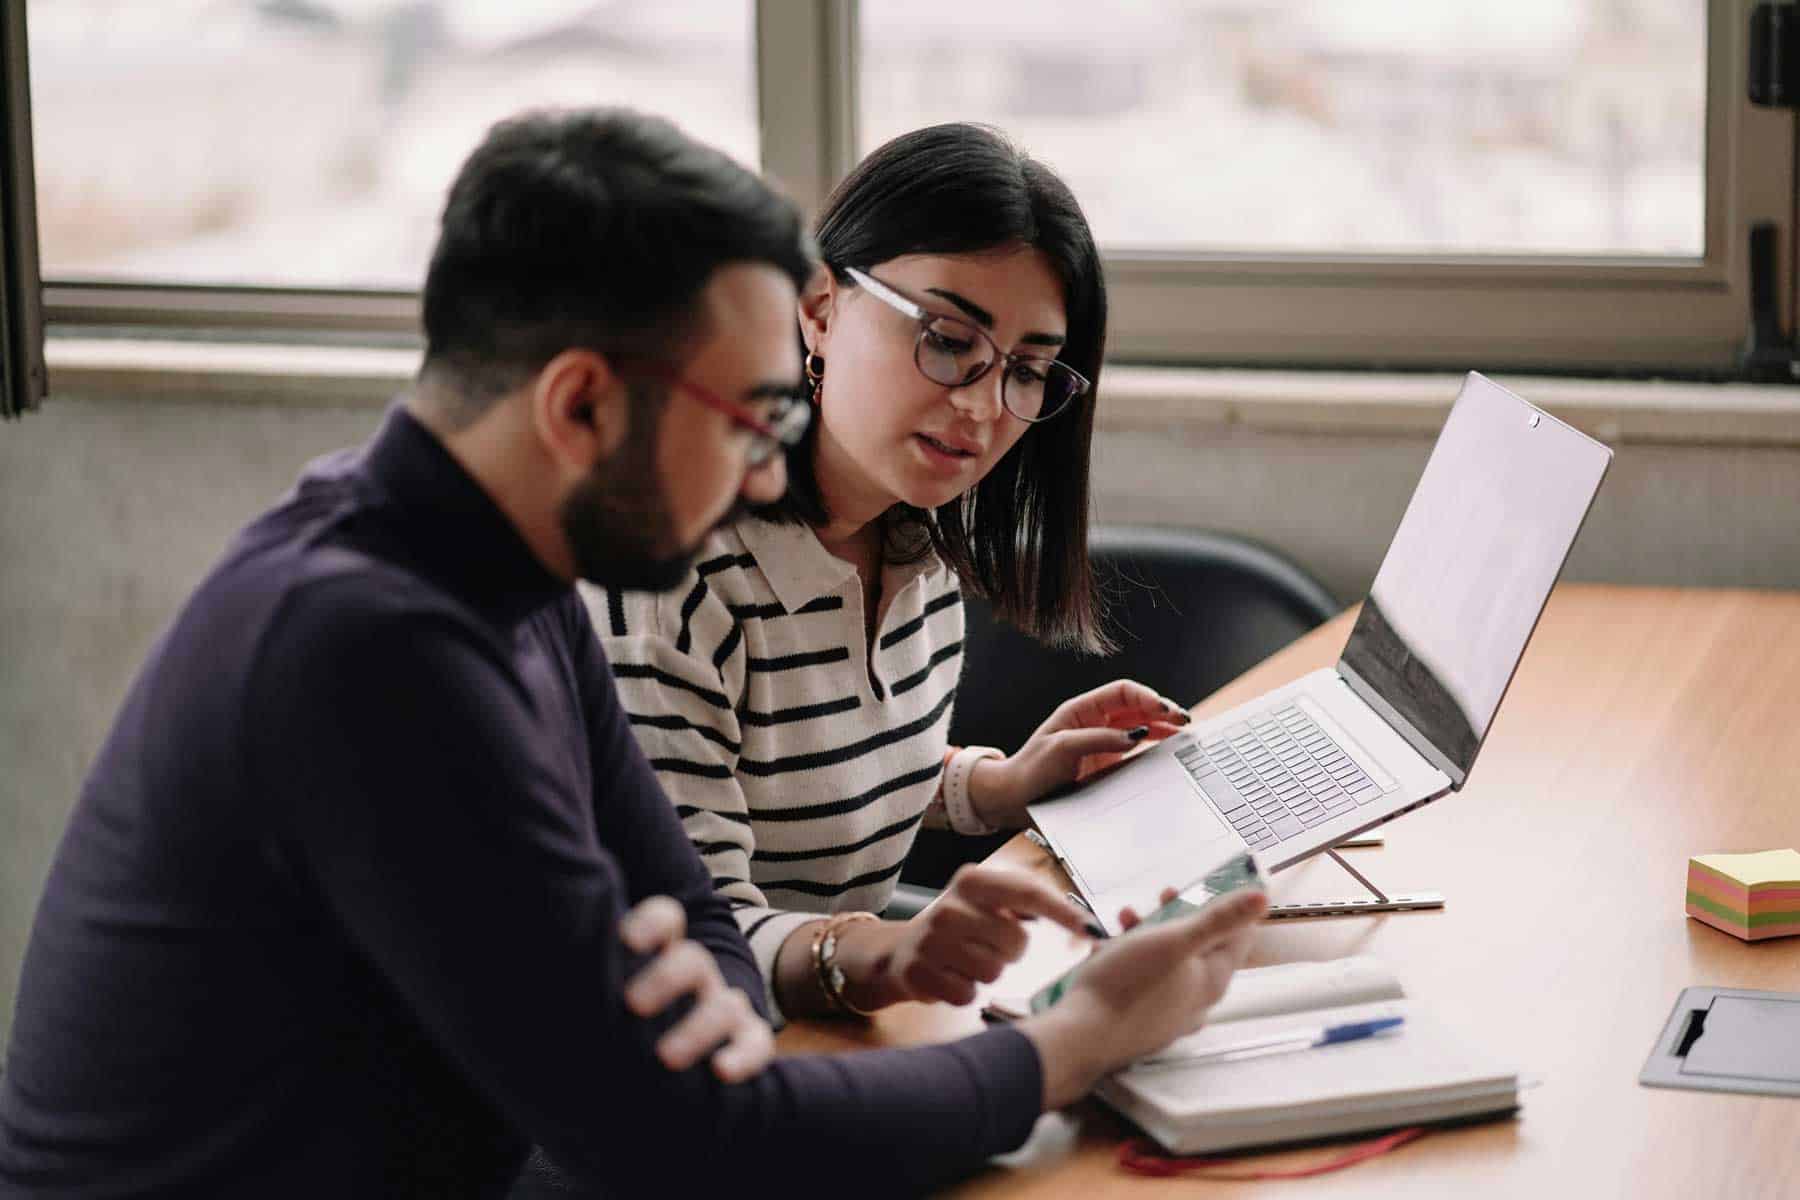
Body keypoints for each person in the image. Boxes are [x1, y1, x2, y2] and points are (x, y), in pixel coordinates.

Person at [0, 108, 1265, 1198]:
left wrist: (696, 1019)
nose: (768, 474)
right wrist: (1073, 1043)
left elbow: (700, 932)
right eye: (753, 419)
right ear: (582, 404)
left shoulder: (510, 582)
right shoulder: (367, 652)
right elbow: (689, 1136)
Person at [589, 122, 1189, 1021]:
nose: (983, 407)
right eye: (947, 338)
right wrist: (889, 953)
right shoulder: (670, 579)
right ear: (819, 308)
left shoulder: (913, 541)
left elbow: (808, 776)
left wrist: (998, 786)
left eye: (1028, 369)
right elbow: (690, 939)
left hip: (825, 1028)